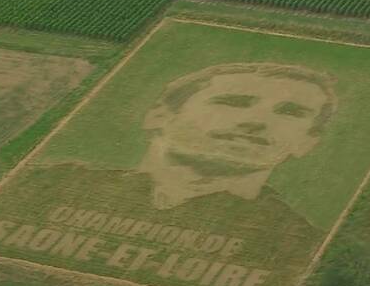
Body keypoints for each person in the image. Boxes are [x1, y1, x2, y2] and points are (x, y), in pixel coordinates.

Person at [138, 63, 337, 209]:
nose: (257, 121)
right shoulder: (106, 188)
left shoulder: (294, 241)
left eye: (291, 112)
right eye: (232, 101)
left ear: (307, 143)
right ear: (159, 117)